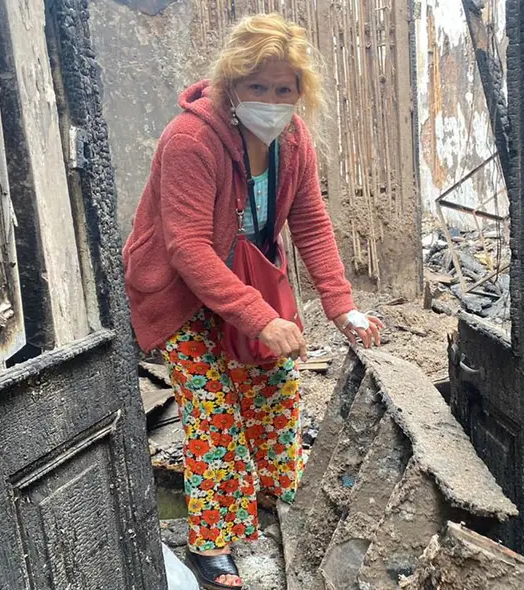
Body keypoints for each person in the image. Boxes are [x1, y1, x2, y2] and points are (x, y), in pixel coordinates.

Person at [122, 13, 383, 589]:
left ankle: (270, 502)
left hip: (251, 279)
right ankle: (211, 543)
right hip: (181, 294)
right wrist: (260, 318)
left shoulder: (293, 139)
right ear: (231, 85)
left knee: (277, 392)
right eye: (256, 86)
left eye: (282, 89)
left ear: (299, 91)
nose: (270, 99)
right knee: (216, 415)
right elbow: (186, 247)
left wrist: (343, 307)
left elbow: (311, 224)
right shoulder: (190, 139)